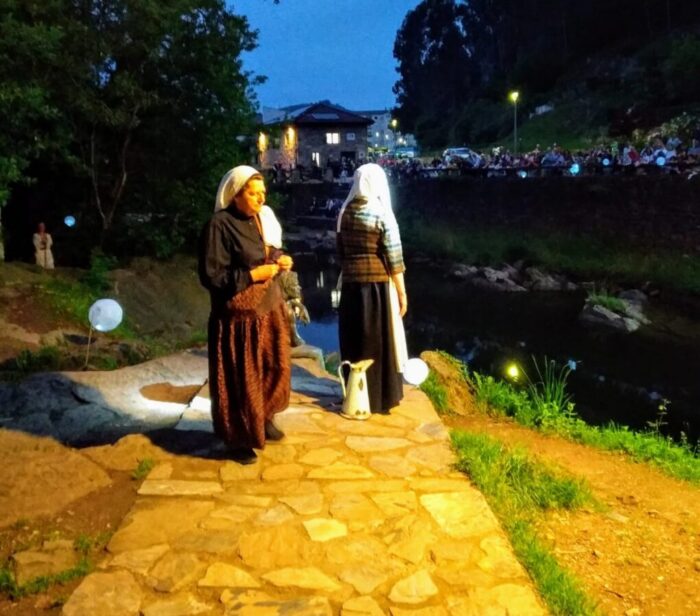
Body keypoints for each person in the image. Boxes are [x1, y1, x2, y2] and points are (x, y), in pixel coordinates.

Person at [198, 165, 293, 463]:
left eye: (263, 193)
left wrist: (280, 259)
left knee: (275, 366)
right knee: (243, 377)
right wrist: (252, 275)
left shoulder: (260, 219)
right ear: (235, 195)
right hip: (238, 318)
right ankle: (238, 437)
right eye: (253, 194)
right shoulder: (219, 225)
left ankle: (262, 416)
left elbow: (266, 252)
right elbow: (212, 275)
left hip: (267, 307)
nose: (261, 199)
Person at [336, 163, 408, 414]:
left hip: (350, 286)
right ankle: (379, 397)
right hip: (376, 287)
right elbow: (394, 258)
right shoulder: (381, 213)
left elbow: (340, 252)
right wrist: (402, 293)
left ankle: (353, 394)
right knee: (377, 341)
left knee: (354, 339)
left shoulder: (344, 212)